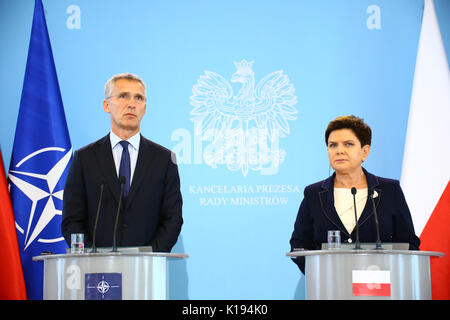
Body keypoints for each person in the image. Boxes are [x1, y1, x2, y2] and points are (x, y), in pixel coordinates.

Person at [61, 73, 183, 252]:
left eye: (138, 98)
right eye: (123, 96)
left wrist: (150, 255)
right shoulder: (85, 158)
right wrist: (92, 257)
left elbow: (172, 219)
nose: (131, 104)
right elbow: (72, 220)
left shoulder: (164, 159)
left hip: (146, 269)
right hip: (97, 272)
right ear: (106, 105)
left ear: (145, 108)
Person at [289, 115, 420, 273]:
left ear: (364, 152)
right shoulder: (314, 194)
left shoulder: (389, 190)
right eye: (333, 145)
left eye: (348, 144)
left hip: (379, 289)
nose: (339, 151)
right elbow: (299, 245)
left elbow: (409, 243)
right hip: (329, 288)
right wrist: (318, 272)